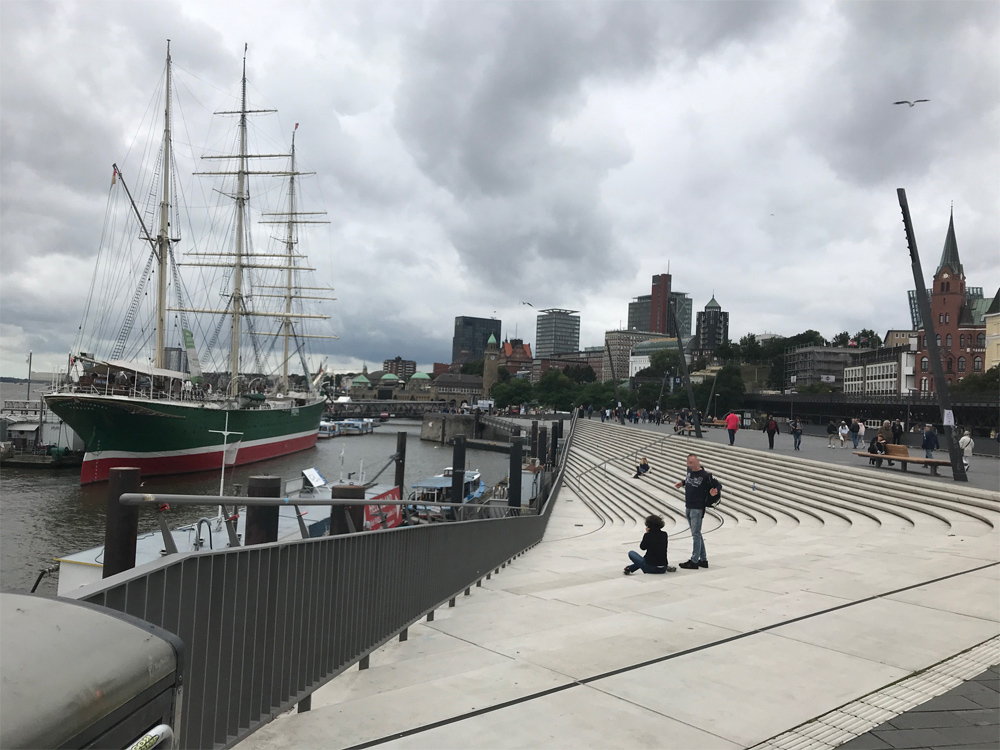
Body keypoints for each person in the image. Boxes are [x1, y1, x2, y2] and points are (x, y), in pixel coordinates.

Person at [674, 454, 719, 570]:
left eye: (692, 463)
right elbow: (688, 480)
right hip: (688, 505)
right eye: (689, 463)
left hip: (697, 508)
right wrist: (682, 483)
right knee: (697, 533)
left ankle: (694, 561)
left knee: (696, 534)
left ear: (698, 462)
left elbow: (718, 485)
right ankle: (703, 560)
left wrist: (715, 490)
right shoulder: (689, 472)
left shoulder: (705, 475)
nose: (690, 465)